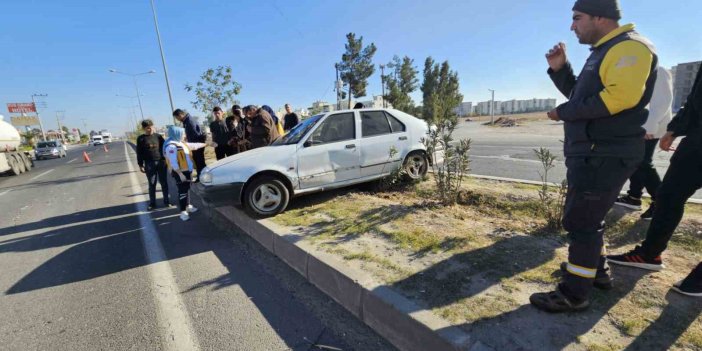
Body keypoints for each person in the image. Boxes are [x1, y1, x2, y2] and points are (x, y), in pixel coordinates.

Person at [529, 0, 658, 313]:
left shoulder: (631, 48)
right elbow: (582, 96)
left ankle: (574, 294)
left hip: (604, 153)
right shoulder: (604, 50)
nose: (572, 26)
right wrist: (561, 70)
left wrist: (562, 113)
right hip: (593, 152)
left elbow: (618, 98)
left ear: (601, 17)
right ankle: (595, 272)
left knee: (582, 221)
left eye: (577, 18)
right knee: (587, 219)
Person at [607, 65, 702, 297]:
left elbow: (662, 99)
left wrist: (655, 127)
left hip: (673, 134)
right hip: (698, 139)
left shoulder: (655, 69)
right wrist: (676, 128)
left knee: (645, 166)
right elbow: (696, 98)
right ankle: (649, 254)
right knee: (668, 195)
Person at [614, 66, 673, 219]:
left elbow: (663, 100)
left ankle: (661, 203)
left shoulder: (657, 70)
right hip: (640, 125)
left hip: (649, 127)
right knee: (636, 162)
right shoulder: (637, 70)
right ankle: (634, 198)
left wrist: (649, 126)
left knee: (643, 162)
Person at [163, 125, 215, 221]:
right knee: (182, 191)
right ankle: (183, 212)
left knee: (187, 189)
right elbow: (173, 162)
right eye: (182, 134)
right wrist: (180, 174)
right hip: (180, 172)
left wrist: (208, 144)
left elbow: (194, 145)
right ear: (176, 134)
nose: (184, 135)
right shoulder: (171, 146)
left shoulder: (181, 143)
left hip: (187, 171)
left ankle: (188, 206)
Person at [136, 119, 170, 211]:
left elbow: (165, 148)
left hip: (161, 162)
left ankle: (167, 201)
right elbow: (139, 152)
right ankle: (152, 203)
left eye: (151, 127)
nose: (150, 129)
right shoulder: (141, 139)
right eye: (147, 128)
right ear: (143, 128)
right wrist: (140, 165)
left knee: (164, 183)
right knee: (152, 184)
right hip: (149, 164)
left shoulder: (158, 137)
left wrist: (167, 160)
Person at [172, 109, 206, 181]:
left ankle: (203, 177)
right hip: (195, 145)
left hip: (197, 146)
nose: (177, 120)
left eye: (177, 118)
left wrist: (190, 145)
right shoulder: (186, 121)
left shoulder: (189, 121)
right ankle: (201, 176)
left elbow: (195, 135)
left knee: (200, 162)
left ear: (180, 115)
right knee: (198, 162)